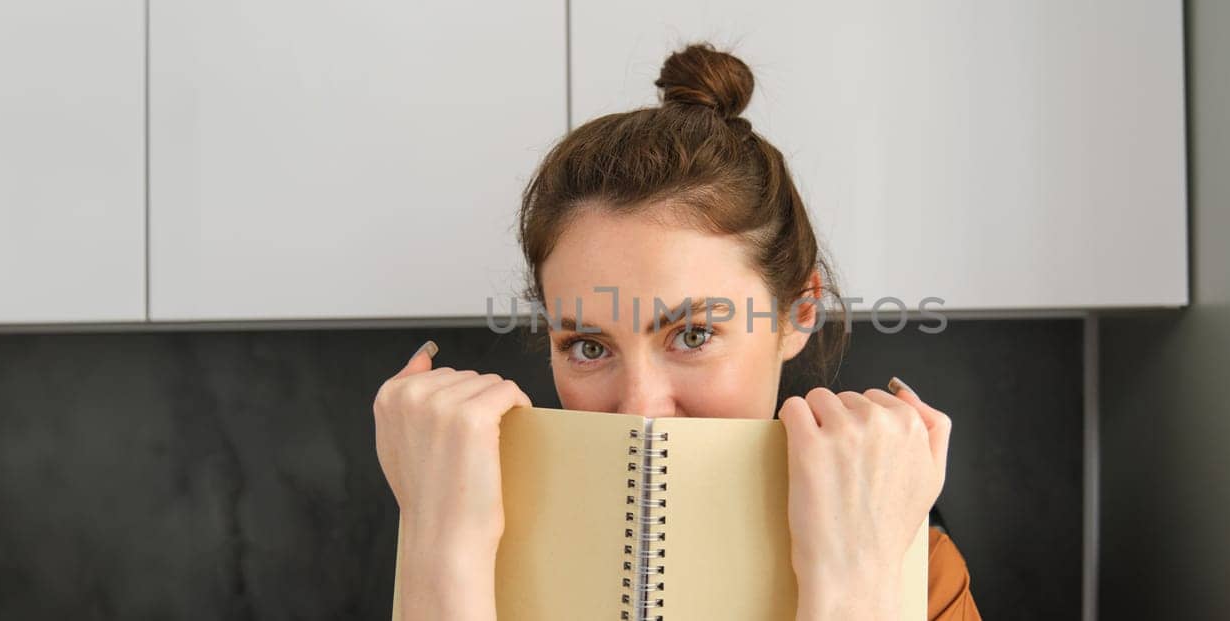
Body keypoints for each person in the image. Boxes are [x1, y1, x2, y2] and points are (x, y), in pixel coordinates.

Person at [373, 43, 982, 621]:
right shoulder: (457, 538)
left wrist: (855, 586)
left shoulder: (917, 574)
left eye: (692, 336)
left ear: (799, 311)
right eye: (588, 347)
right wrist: (440, 555)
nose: (641, 409)